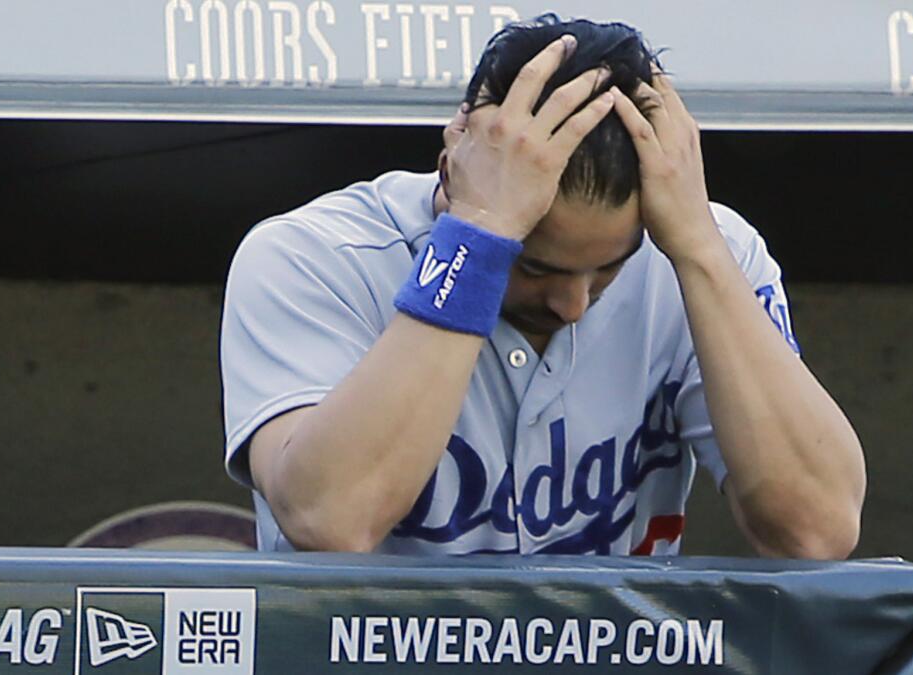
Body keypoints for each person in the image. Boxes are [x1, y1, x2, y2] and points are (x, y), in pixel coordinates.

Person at [220, 14, 866, 557]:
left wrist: (698, 249)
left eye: (608, 270)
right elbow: (333, 518)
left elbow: (815, 528)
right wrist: (480, 238)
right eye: (534, 267)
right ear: (454, 163)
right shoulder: (313, 255)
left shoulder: (702, 252)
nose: (574, 302)